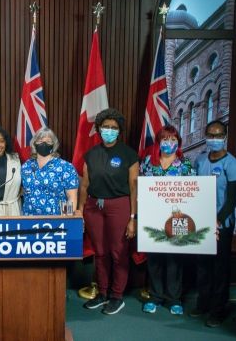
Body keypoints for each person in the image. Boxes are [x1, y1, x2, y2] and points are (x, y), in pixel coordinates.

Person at [78, 109, 139, 315]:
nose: (109, 131)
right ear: (99, 129)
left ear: (119, 131)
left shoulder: (129, 154)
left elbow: (133, 187)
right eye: (106, 127)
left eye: (114, 128)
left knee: (118, 252)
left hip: (119, 206)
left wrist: (133, 218)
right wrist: (80, 211)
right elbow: (84, 186)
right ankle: (102, 293)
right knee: (101, 252)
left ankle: (117, 296)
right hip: (94, 207)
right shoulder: (91, 154)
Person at [140, 125, 195, 316]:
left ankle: (173, 299)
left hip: (177, 218)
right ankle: (155, 296)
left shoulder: (185, 164)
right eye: (165, 139)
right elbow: (140, 187)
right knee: (154, 259)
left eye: (173, 140)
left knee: (174, 260)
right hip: (152, 216)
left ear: (178, 143)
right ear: (158, 142)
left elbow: (193, 193)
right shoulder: (148, 162)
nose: (168, 143)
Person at [191, 120, 236, 327]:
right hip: (201, 223)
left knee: (220, 268)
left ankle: (218, 310)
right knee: (203, 266)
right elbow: (192, 189)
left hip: (222, 224)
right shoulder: (200, 160)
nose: (214, 139)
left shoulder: (232, 163)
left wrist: (218, 221)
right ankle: (203, 303)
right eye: (210, 135)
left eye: (218, 135)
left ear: (225, 137)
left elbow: (232, 198)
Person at [21, 127, 79, 215]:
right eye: (40, 141)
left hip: (57, 221)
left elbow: (71, 198)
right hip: (29, 220)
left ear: (54, 145)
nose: (44, 144)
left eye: (48, 141)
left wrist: (67, 219)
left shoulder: (66, 167)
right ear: (34, 144)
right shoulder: (26, 166)